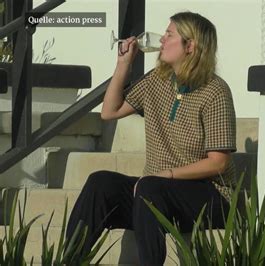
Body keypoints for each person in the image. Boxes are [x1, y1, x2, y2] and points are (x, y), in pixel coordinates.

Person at [66, 11, 236, 265]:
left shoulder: (215, 91)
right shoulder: (158, 80)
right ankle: (69, 261)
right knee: (100, 182)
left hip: (209, 195)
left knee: (148, 187)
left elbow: (218, 163)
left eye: (170, 35)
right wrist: (123, 64)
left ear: (190, 46)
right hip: (154, 193)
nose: (162, 40)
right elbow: (109, 111)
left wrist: (165, 174)